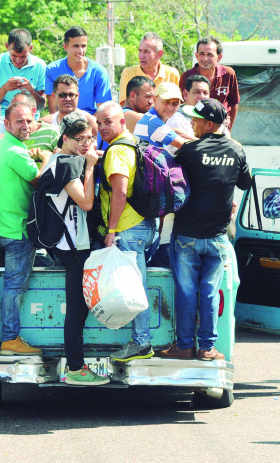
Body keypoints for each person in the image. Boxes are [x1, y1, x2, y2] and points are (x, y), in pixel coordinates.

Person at [159, 99, 251, 360]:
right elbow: (245, 183)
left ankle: (185, 346)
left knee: (187, 293)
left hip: (187, 235)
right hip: (218, 237)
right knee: (210, 292)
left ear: (209, 124)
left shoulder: (191, 151)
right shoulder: (236, 150)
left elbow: (170, 176)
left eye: (195, 120)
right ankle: (208, 348)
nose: (191, 123)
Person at [37, 112, 108, 384]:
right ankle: (76, 369)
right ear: (65, 138)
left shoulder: (62, 159)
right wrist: (90, 167)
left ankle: (76, 366)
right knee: (77, 307)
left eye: (90, 137)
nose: (86, 143)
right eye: (80, 139)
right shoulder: (66, 165)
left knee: (79, 305)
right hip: (72, 246)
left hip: (72, 243)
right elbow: (86, 203)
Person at [95, 101, 157, 361]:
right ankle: (141, 340)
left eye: (107, 121)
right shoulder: (132, 143)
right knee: (135, 284)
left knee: (133, 288)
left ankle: (142, 342)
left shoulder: (118, 151)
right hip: (141, 225)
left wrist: (111, 230)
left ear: (122, 122)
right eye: (98, 123)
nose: (102, 127)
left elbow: (119, 192)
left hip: (127, 228)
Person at [0, 101, 47, 355]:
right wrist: (46, 158)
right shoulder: (16, 152)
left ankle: (10, 337)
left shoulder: (4, 146)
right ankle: (10, 339)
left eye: (28, 120)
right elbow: (42, 181)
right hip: (17, 231)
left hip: (4, 226)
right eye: (19, 121)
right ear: (7, 123)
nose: (25, 125)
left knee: (14, 284)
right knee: (15, 286)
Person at [45, 27, 111, 115]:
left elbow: (103, 109)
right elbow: (53, 109)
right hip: (61, 121)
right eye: (76, 46)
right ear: (65, 47)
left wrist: (86, 124)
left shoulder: (99, 72)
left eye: (83, 46)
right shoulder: (52, 70)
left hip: (90, 122)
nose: (80, 51)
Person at [179, 36, 240, 130]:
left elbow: (234, 102)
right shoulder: (186, 77)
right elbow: (183, 105)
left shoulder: (228, 74)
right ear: (196, 56)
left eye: (210, 55)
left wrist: (229, 127)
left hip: (221, 128)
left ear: (219, 57)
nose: (205, 59)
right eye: (202, 54)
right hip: (195, 128)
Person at [0, 28, 47, 116]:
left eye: (23, 56)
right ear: (7, 47)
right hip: (2, 115)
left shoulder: (40, 65)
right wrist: (5, 88)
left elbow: (42, 106)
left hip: (30, 117)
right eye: (14, 55)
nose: (18, 60)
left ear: (31, 48)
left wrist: (31, 90)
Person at [118, 32, 179, 105]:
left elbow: (176, 104)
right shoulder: (128, 73)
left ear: (159, 54)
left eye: (146, 52)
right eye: (140, 51)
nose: (141, 56)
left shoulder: (172, 74)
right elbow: (125, 106)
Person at [133, 82, 187, 150]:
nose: (170, 108)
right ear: (155, 99)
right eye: (166, 102)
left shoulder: (150, 117)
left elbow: (175, 132)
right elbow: (184, 145)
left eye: (175, 104)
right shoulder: (152, 121)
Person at [166, 75, 212, 140]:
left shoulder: (213, 117)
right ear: (185, 94)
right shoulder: (177, 120)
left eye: (205, 93)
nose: (202, 97)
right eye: (197, 92)